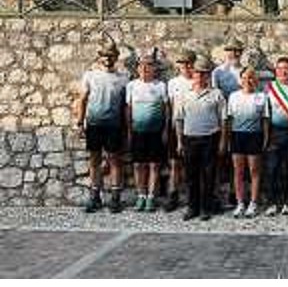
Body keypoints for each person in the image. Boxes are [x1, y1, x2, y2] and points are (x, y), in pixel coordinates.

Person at [75, 41, 128, 213]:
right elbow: (83, 99)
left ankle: (115, 198)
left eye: (111, 56)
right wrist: (79, 123)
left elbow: (126, 105)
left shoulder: (123, 78)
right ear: (100, 57)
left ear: (116, 57)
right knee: (94, 161)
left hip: (114, 125)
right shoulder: (90, 75)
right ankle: (94, 197)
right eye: (104, 55)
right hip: (94, 124)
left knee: (115, 160)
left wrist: (127, 127)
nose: (107, 58)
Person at [175, 55, 227, 221]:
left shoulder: (216, 94)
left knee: (208, 175)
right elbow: (179, 119)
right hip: (190, 138)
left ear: (208, 75)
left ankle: (206, 207)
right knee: (191, 175)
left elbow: (223, 120)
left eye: (204, 73)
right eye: (198, 72)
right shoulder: (184, 94)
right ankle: (192, 207)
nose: (200, 76)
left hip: (210, 138)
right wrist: (179, 142)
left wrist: (223, 141)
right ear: (193, 74)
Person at [126, 54, 169, 212]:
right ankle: (141, 195)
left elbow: (166, 109)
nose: (144, 68)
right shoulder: (132, 85)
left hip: (155, 132)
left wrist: (165, 129)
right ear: (137, 68)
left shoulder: (161, 86)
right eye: (141, 65)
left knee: (154, 165)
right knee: (138, 165)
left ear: (154, 68)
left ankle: (151, 197)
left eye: (149, 64)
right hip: (137, 131)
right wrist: (129, 130)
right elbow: (128, 109)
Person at [226, 66, 270, 218]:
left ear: (256, 80)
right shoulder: (233, 96)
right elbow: (229, 119)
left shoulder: (262, 96)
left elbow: (265, 120)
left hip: (255, 136)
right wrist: (228, 139)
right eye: (244, 77)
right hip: (237, 136)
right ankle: (240, 203)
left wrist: (265, 138)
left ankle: (253, 203)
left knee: (254, 171)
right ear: (240, 80)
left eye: (251, 77)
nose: (247, 80)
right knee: (238, 171)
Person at [264, 57, 288, 216]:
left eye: (286, 68)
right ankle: (272, 202)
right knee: (272, 168)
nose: (283, 71)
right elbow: (265, 114)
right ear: (275, 71)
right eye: (279, 68)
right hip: (275, 132)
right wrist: (266, 136)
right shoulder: (269, 88)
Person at [212, 36, 244, 207]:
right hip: (221, 120)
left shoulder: (245, 71)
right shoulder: (217, 72)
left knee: (236, 160)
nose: (234, 53)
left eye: (237, 50)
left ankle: (233, 192)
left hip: (239, 120)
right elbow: (215, 95)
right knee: (219, 158)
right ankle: (217, 193)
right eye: (231, 50)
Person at [165, 49, 197, 212]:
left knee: (193, 164)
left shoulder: (197, 81)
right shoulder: (173, 83)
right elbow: (170, 106)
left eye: (189, 63)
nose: (186, 67)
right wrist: (167, 127)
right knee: (174, 163)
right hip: (176, 125)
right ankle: (173, 194)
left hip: (194, 127)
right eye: (183, 64)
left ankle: (193, 196)